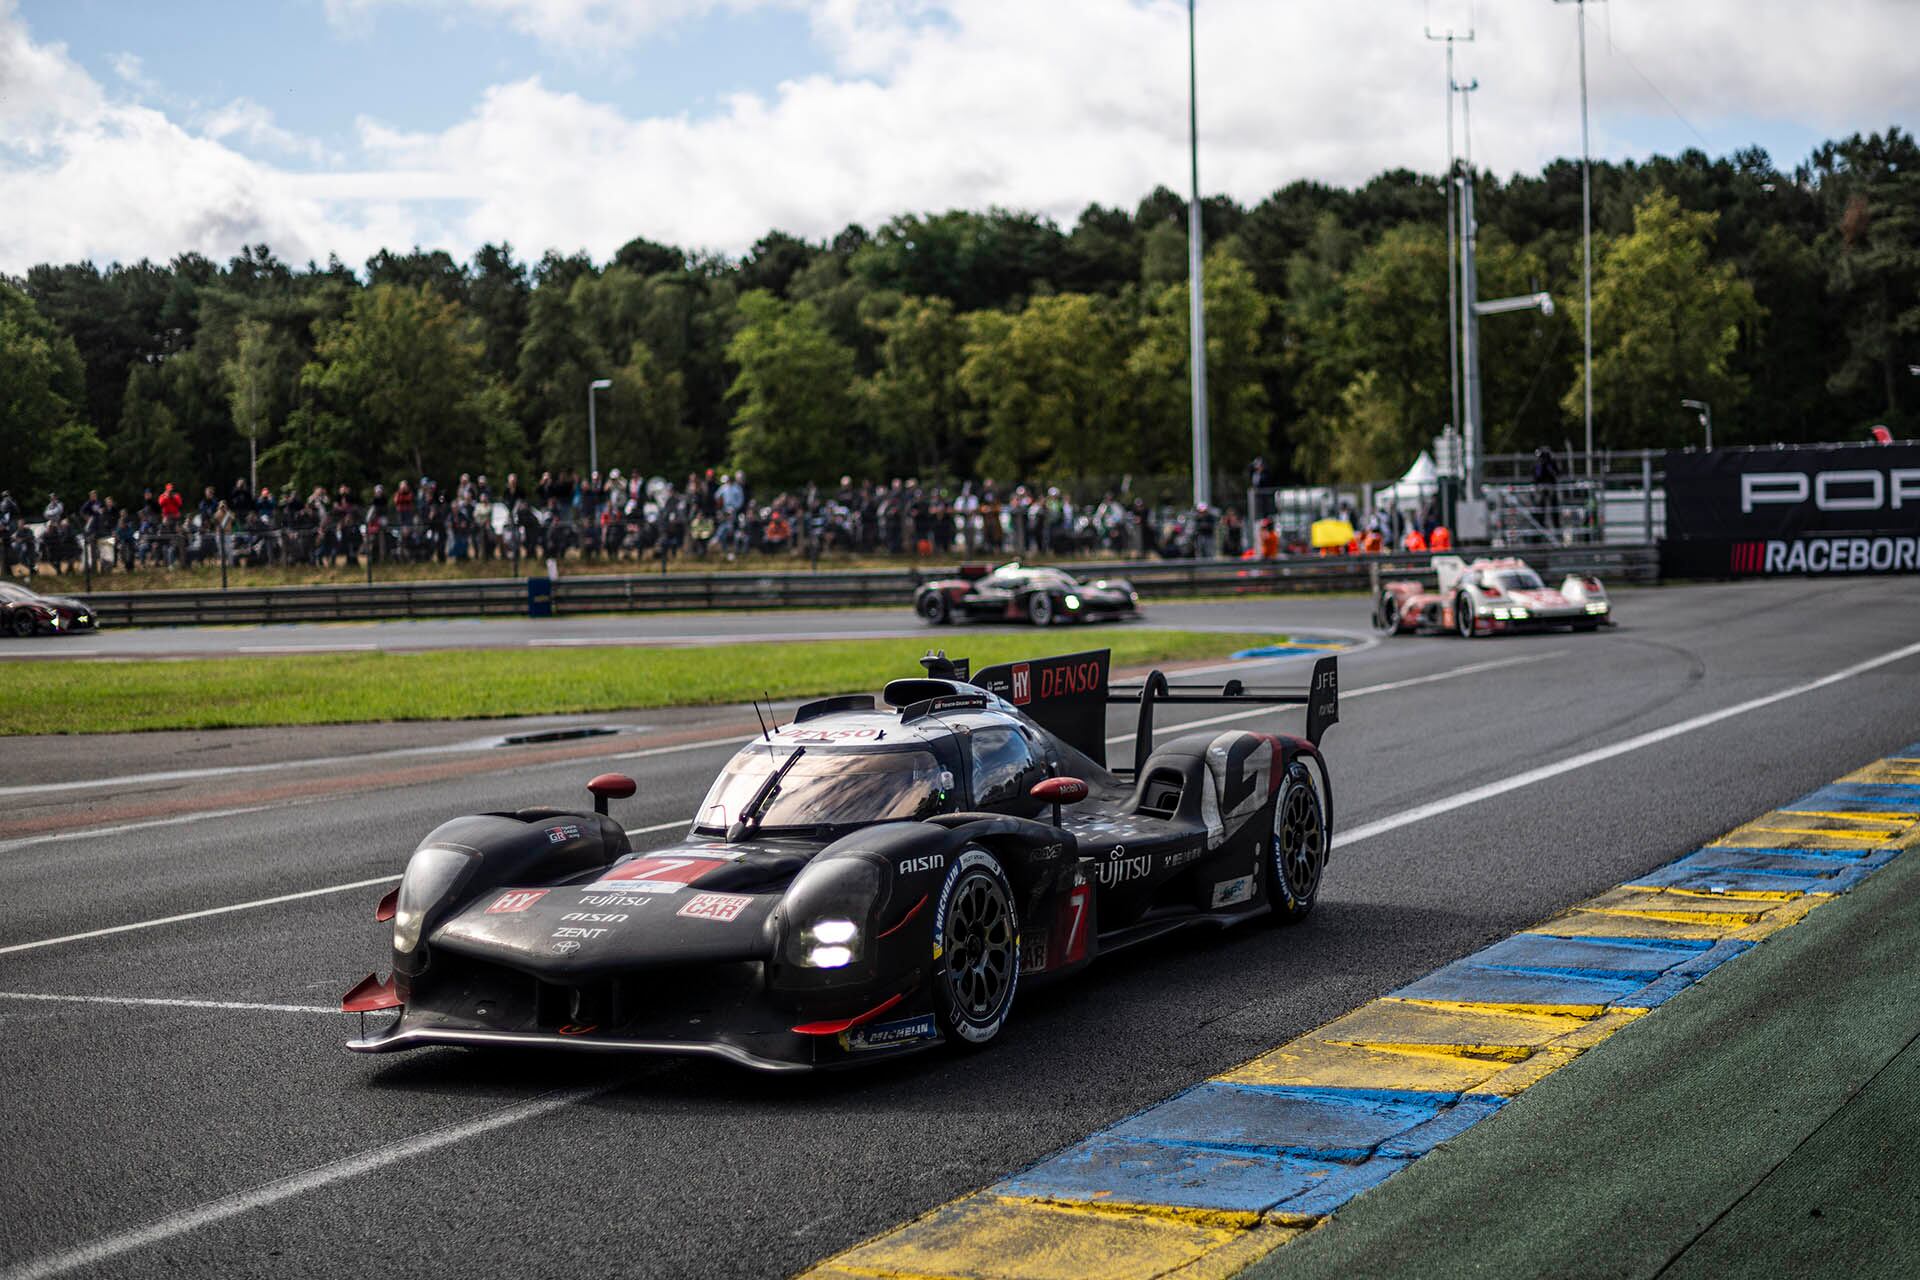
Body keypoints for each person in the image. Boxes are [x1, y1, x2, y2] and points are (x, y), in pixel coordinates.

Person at [1532, 445, 1561, 535]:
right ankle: (1540, 528)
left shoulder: (1551, 463)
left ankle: (1556, 528)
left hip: (1551, 487)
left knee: (1554, 509)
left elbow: (1557, 473)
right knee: (1540, 508)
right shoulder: (1538, 464)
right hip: (1541, 488)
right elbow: (1536, 476)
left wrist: (1549, 465)